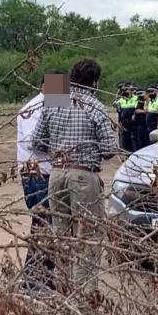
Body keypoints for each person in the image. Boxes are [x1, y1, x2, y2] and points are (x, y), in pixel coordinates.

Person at [30, 58, 118, 296]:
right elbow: (110, 149)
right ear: (95, 81)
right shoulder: (96, 106)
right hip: (83, 174)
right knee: (87, 235)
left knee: (61, 233)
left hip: (56, 173)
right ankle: (85, 293)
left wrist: (59, 147)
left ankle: (62, 288)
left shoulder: (55, 100)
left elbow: (36, 141)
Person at [15, 69, 64, 291]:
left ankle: (45, 278)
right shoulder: (32, 110)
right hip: (38, 175)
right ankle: (34, 281)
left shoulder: (55, 107)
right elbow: (32, 143)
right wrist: (62, 146)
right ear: (44, 87)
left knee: (51, 227)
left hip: (50, 173)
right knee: (42, 225)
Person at [116, 84, 137, 152]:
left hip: (133, 122)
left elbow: (136, 108)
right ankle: (127, 152)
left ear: (131, 91)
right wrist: (120, 122)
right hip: (124, 122)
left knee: (134, 138)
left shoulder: (135, 98)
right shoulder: (121, 99)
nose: (125, 91)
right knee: (125, 138)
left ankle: (133, 151)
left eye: (127, 90)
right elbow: (119, 111)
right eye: (124, 90)